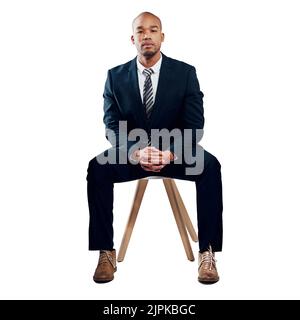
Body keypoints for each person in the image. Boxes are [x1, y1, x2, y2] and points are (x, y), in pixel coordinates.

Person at [86, 11, 223, 284]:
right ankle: (105, 251)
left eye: (153, 29)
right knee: (97, 168)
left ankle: (207, 251)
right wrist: (135, 152)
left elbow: (195, 125)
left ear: (162, 36)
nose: (146, 35)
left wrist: (171, 152)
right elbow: (111, 125)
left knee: (210, 166)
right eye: (140, 30)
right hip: (134, 153)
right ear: (132, 38)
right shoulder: (115, 76)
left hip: (174, 153)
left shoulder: (185, 73)